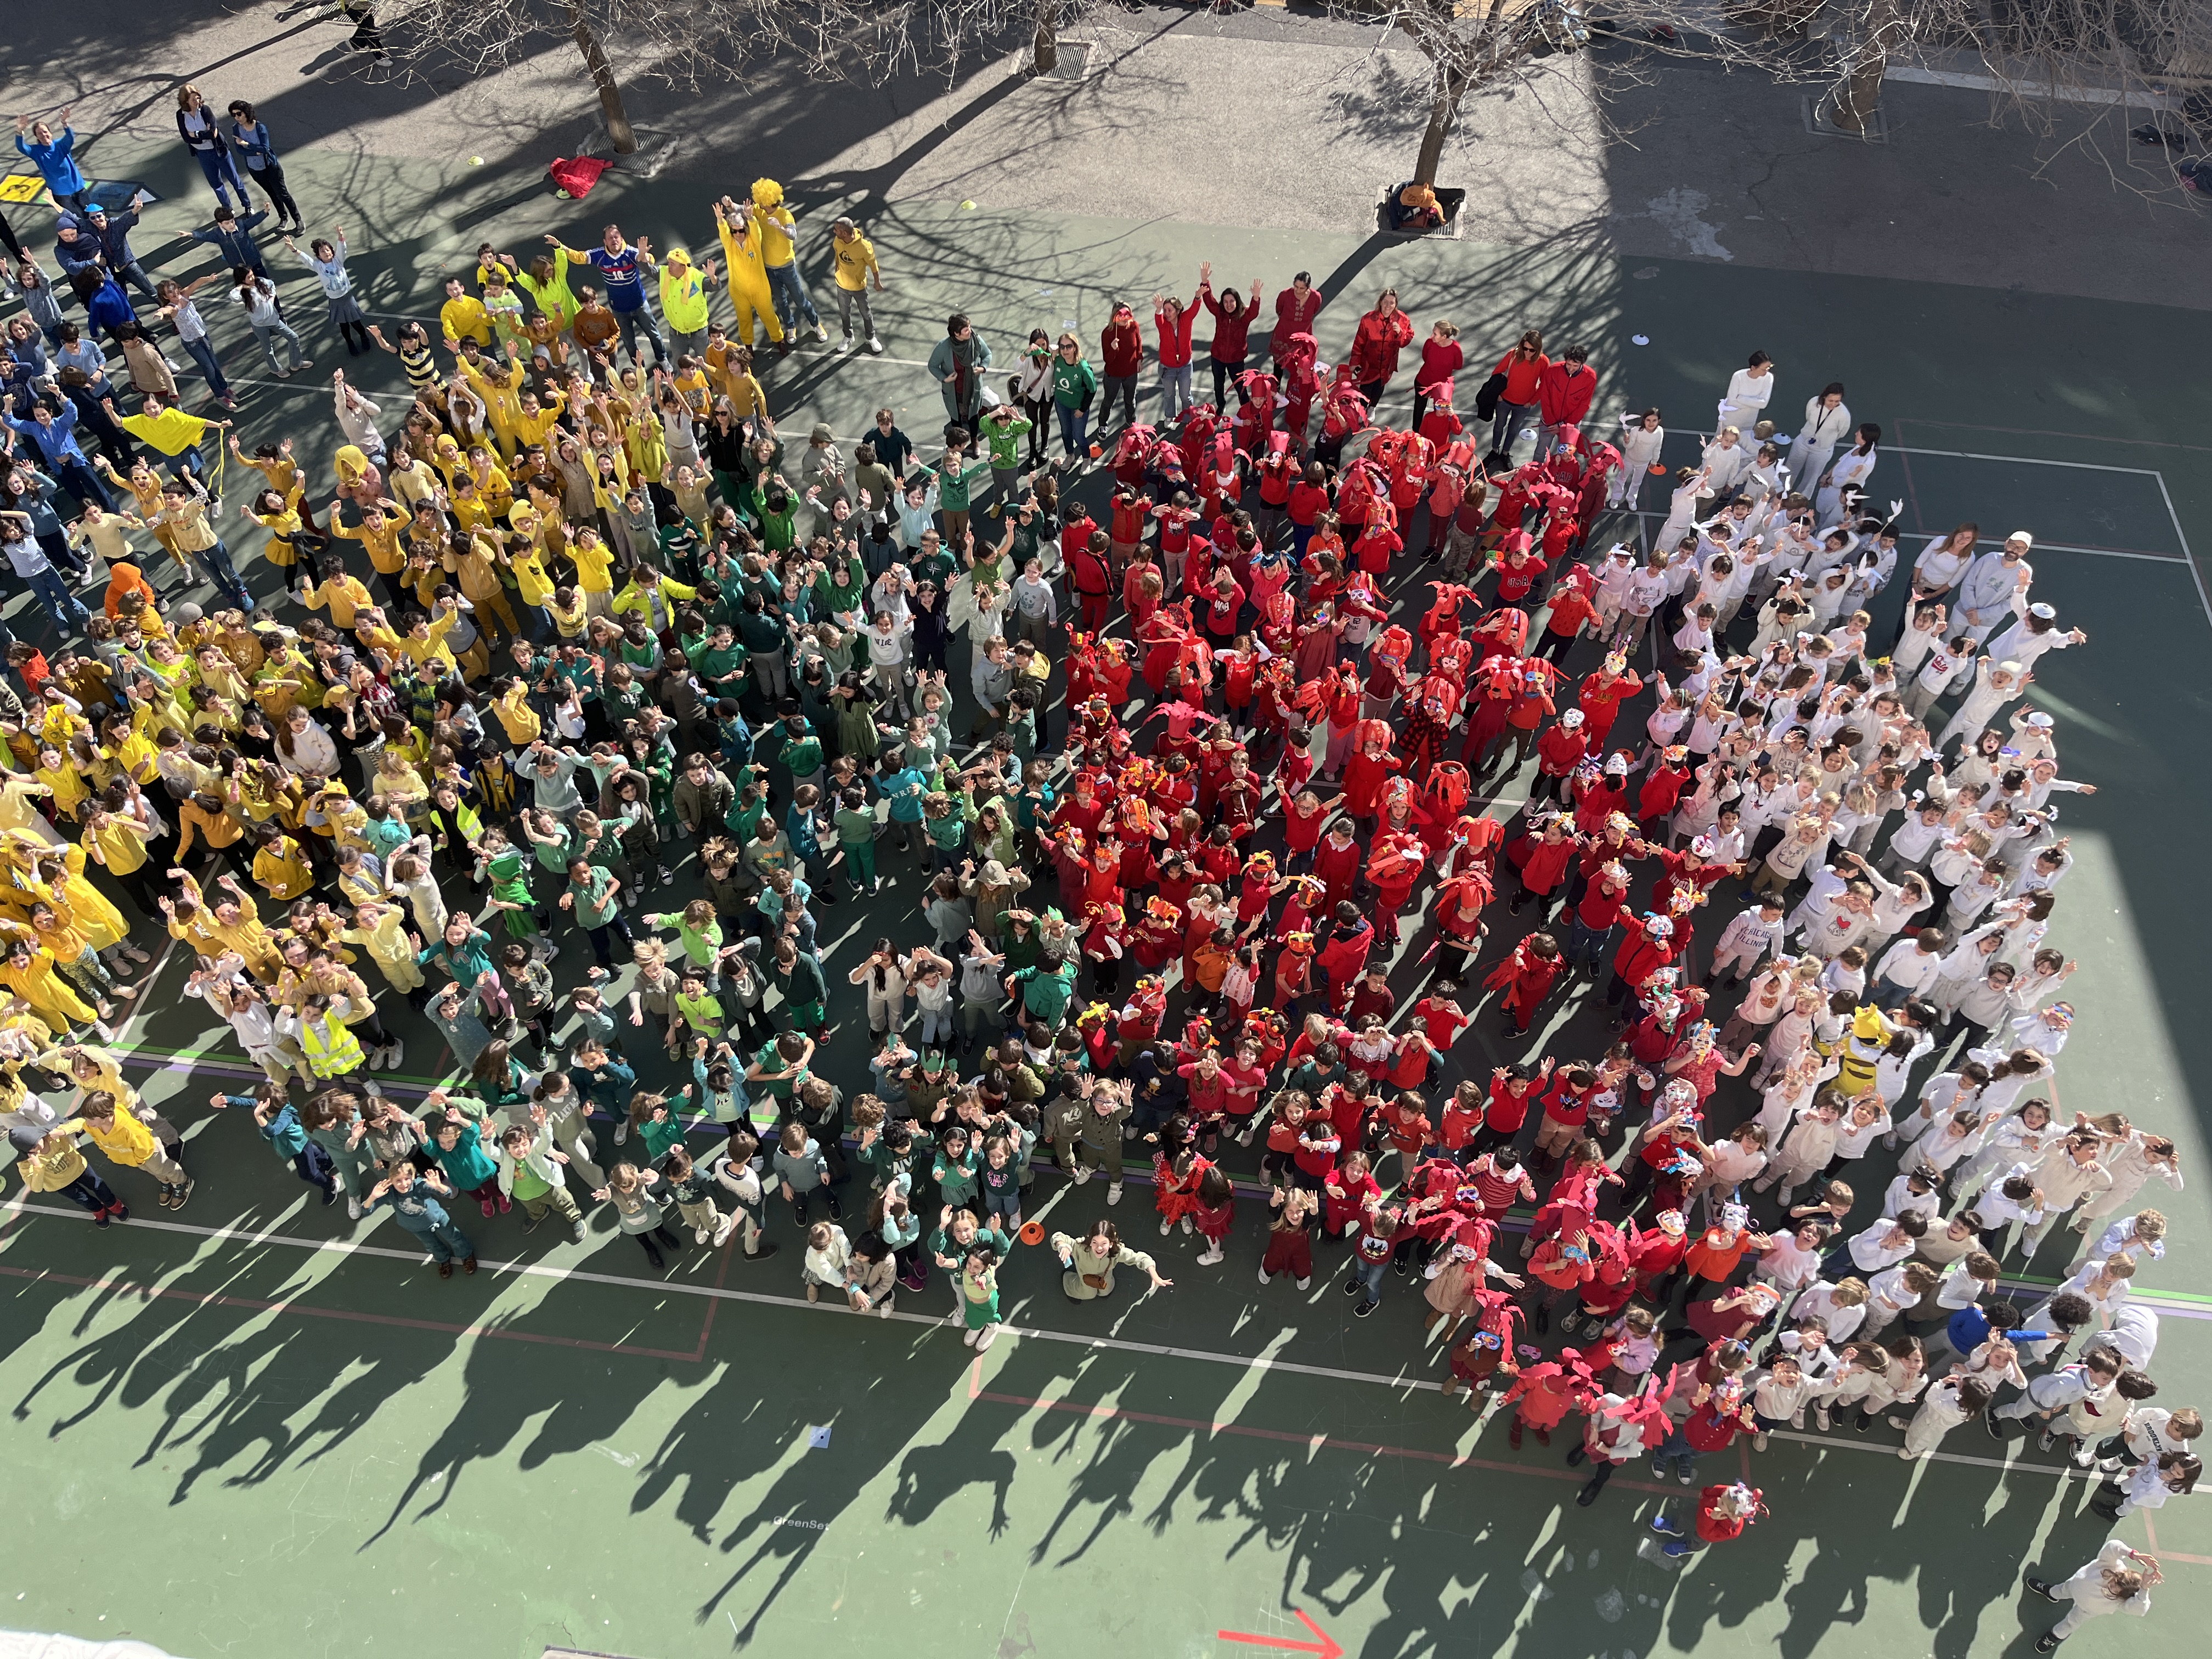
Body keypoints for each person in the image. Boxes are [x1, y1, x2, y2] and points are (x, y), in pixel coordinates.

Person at [2021, 1542, 2160, 1651]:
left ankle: (2054, 1636)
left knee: (2071, 1623)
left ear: (2124, 1596)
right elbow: (2112, 1547)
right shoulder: (2111, 1566)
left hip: (2086, 1610)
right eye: (2115, 1582)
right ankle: (2050, 1593)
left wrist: (2144, 1588)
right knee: (2061, 1590)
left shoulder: (2122, 1602)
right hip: (2073, 1586)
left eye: (2116, 1590)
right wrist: (2133, 1555)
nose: (2112, 1586)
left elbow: (2140, 1610)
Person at [1049, 1219, 1172, 1303]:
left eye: (1104, 1243)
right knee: (1088, 1294)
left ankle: (1102, 1290)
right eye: (1095, 1243)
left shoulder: (1116, 1252)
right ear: (1090, 1241)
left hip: (1105, 1277)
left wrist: (1154, 1275)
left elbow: (1139, 1258)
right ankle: (1067, 1279)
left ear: (1111, 1244)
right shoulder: (1081, 1248)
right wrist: (1062, 1246)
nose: (1099, 1248)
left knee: (1106, 1291)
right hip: (1085, 1276)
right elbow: (1059, 1237)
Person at [829, 217, 884, 354]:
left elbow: (873, 265)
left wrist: (877, 282)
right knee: (844, 314)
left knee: (866, 313)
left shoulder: (864, 247)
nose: (834, 231)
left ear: (845, 233)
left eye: (836, 230)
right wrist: (837, 269)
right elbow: (837, 254)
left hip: (859, 288)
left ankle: (871, 337)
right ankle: (848, 337)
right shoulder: (838, 241)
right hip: (841, 286)